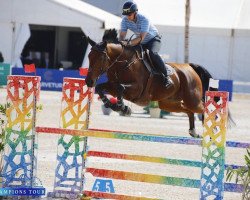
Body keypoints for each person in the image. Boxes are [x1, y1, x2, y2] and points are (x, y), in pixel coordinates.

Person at [119, 1, 173, 88]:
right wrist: (120, 43)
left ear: (135, 13)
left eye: (129, 15)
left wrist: (128, 43)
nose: (127, 17)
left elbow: (141, 38)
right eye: (126, 15)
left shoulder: (144, 19)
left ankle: (167, 77)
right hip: (141, 42)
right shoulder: (125, 20)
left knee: (152, 53)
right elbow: (122, 35)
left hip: (153, 40)